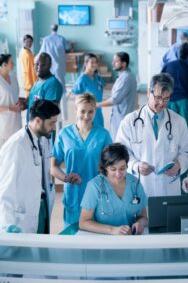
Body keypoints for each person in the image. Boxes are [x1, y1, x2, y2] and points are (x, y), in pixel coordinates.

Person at [116, 73, 188, 197]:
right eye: (157, 97)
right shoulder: (129, 121)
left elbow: (187, 152)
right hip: (141, 186)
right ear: (148, 92)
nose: (162, 103)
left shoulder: (178, 122)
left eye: (166, 98)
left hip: (168, 188)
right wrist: (135, 165)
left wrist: (179, 166)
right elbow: (120, 154)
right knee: (143, 216)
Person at [51, 93, 112, 226]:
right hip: (74, 194)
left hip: (97, 194)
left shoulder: (103, 135)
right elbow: (53, 166)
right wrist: (66, 178)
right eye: (82, 111)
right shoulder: (64, 134)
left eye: (91, 111)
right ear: (75, 110)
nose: (86, 116)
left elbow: (111, 166)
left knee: (95, 238)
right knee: (72, 238)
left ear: (95, 110)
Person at [0, 99, 60, 233]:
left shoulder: (43, 139)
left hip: (41, 207)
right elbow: (5, 190)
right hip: (22, 218)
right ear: (38, 121)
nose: (54, 128)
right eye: (51, 123)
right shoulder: (16, 146)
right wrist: (7, 225)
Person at [80, 143, 148, 235]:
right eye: (113, 169)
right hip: (103, 239)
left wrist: (140, 223)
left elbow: (143, 216)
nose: (118, 174)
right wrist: (112, 230)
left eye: (122, 168)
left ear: (127, 165)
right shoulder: (94, 186)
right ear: (105, 168)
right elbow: (83, 222)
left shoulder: (135, 184)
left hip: (130, 238)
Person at [97, 52, 137, 140]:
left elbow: (114, 100)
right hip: (120, 115)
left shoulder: (126, 78)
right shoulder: (124, 75)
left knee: (119, 143)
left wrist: (96, 105)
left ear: (124, 63)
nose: (112, 63)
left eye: (116, 61)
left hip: (121, 117)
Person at [162, 42, 188, 137]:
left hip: (169, 99)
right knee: (184, 127)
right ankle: (185, 150)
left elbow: (161, 83)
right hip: (184, 101)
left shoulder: (168, 66)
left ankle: (169, 147)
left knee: (169, 125)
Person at [37, 24, 70, 120]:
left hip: (51, 68)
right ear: (57, 28)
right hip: (60, 68)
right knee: (61, 90)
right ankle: (62, 116)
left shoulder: (46, 40)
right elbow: (67, 48)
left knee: (50, 90)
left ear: (51, 29)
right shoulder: (62, 39)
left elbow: (41, 53)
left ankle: (52, 115)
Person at [27, 52, 63, 122]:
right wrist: (25, 103)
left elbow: (49, 110)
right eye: (37, 64)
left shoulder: (53, 83)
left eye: (43, 65)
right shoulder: (39, 81)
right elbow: (34, 100)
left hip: (43, 128)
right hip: (32, 124)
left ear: (50, 65)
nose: (39, 67)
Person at [72, 53, 105, 127]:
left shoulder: (98, 78)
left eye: (96, 62)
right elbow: (77, 99)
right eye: (92, 62)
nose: (94, 65)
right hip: (87, 113)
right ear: (86, 63)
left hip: (98, 111)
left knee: (100, 133)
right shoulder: (82, 79)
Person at [0, 54, 22, 149]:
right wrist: (10, 108)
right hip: (4, 123)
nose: (13, 64)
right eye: (11, 63)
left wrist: (21, 102)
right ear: (4, 65)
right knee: (4, 152)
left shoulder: (14, 78)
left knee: (16, 148)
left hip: (17, 121)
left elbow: (15, 96)